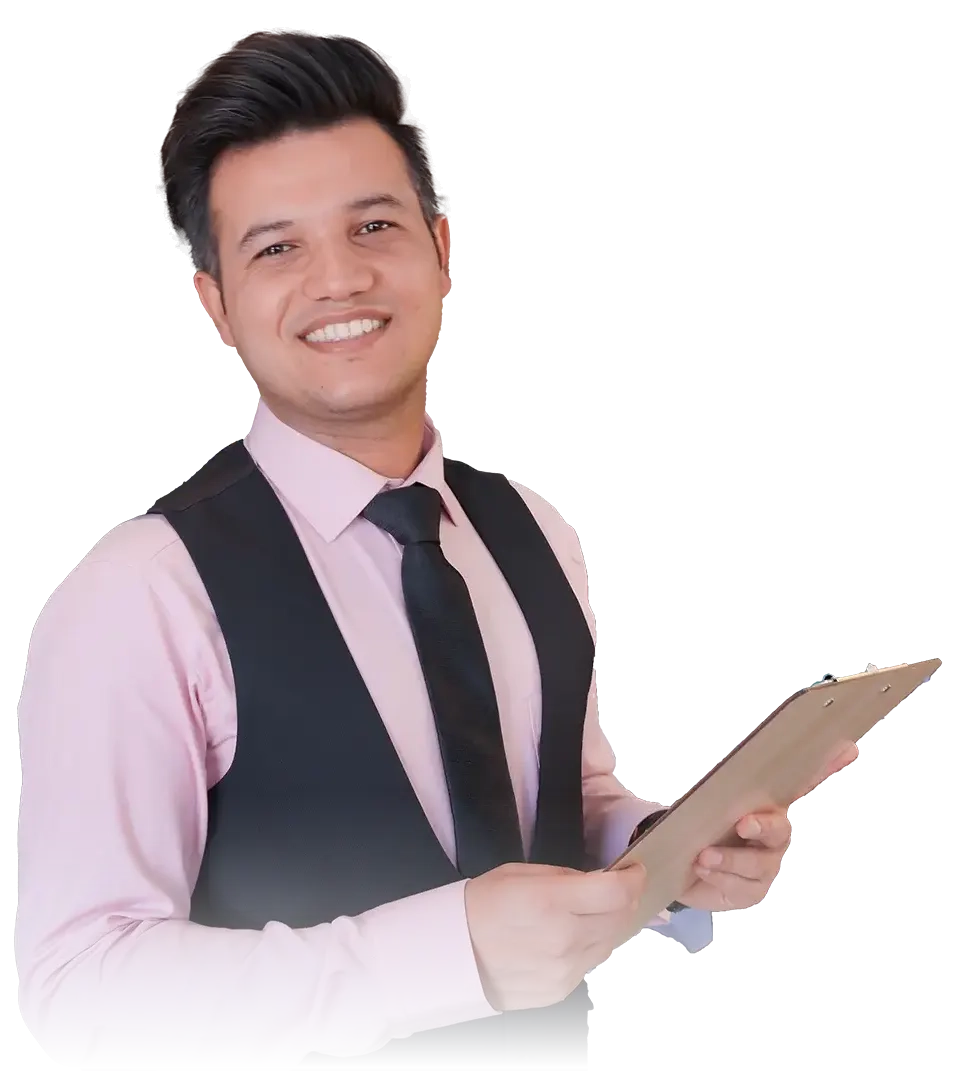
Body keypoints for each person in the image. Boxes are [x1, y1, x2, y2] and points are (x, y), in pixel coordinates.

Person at [14, 28, 856, 1071]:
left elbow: (565, 801)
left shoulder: (536, 531)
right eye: (277, 249)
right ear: (216, 305)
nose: (339, 278)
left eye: (373, 225)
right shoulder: (141, 593)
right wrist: (437, 957)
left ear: (442, 250)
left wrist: (665, 850)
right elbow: (76, 987)